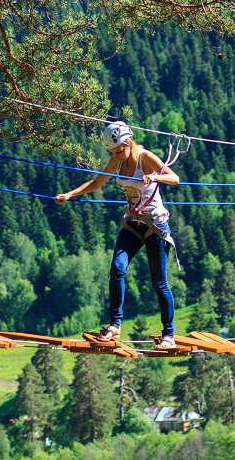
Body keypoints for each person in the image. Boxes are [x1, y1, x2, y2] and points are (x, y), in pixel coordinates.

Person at [56, 121, 180, 349]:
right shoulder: (117, 160)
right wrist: (70, 194)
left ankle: (169, 335)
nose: (116, 156)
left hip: (156, 226)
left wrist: (155, 177)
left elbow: (175, 178)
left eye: (119, 151)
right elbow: (97, 182)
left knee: (159, 283)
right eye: (112, 152)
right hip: (133, 224)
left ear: (128, 142)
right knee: (117, 268)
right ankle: (115, 325)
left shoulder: (146, 158)